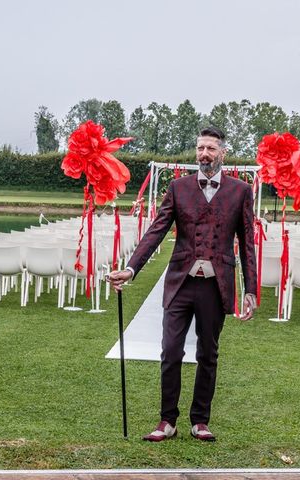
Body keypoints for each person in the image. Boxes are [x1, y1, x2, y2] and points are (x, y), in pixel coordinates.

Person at [107, 126, 257, 442]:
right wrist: (131, 269)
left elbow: (247, 244)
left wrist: (251, 290)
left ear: (222, 153)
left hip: (216, 287)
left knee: (208, 353)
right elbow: (156, 232)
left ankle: (200, 421)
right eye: (201, 148)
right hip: (181, 283)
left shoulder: (240, 191)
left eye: (211, 149)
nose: (205, 154)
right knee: (171, 350)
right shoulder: (178, 188)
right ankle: (167, 421)